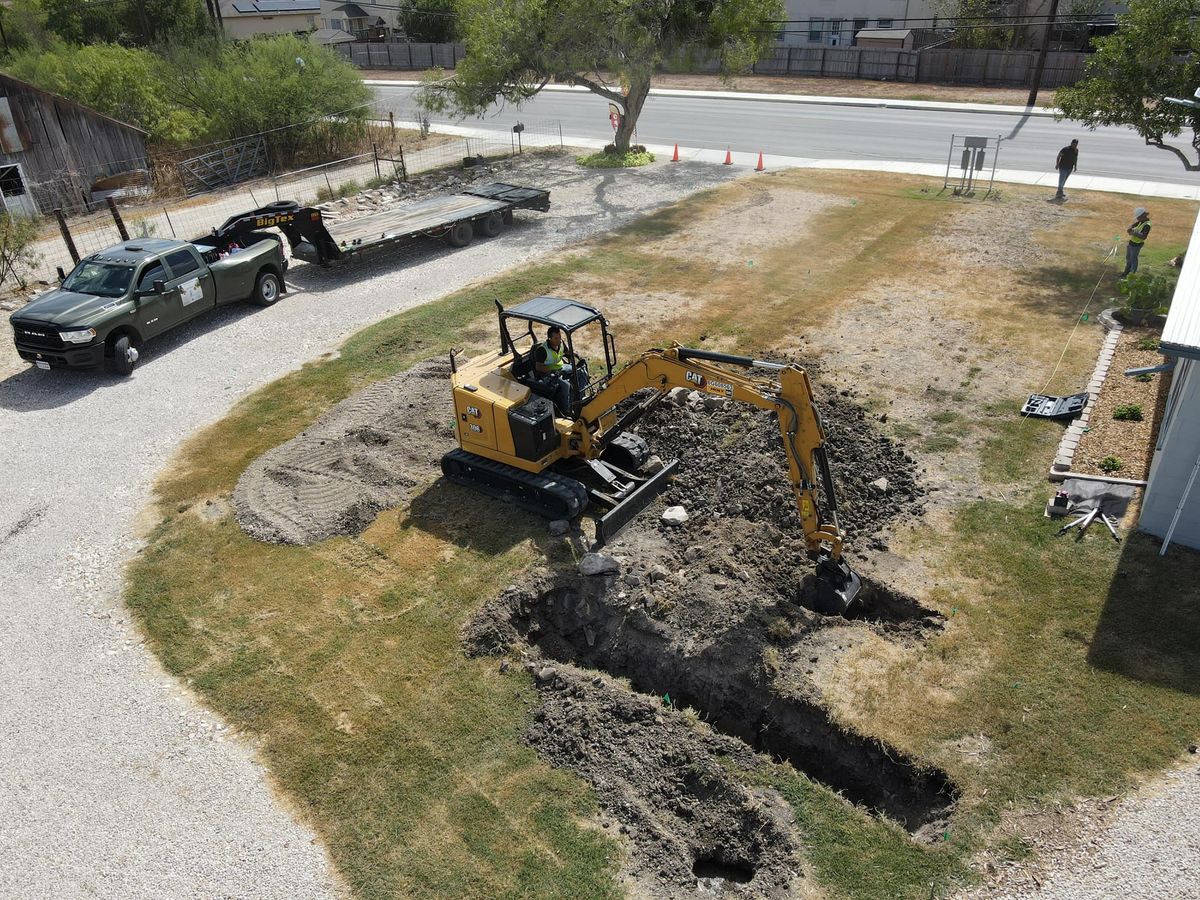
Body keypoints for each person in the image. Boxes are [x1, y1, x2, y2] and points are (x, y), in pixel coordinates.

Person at [534, 326, 588, 414]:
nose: (559, 340)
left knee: (581, 372)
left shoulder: (560, 343)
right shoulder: (542, 350)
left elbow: (566, 352)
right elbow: (539, 367)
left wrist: (576, 355)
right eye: (556, 338)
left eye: (560, 337)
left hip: (562, 367)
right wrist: (551, 372)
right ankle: (567, 410)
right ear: (549, 338)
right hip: (549, 374)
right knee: (566, 385)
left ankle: (579, 398)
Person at [1122, 207, 1152, 277]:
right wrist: (1130, 228)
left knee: (1133, 260)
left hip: (1136, 245)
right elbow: (1134, 225)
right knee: (1128, 259)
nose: (1137, 219)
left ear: (1143, 216)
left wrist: (1133, 232)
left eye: (1138, 217)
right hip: (1131, 243)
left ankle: (1131, 277)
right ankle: (1126, 273)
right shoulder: (1142, 221)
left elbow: (1144, 237)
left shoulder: (1147, 225)